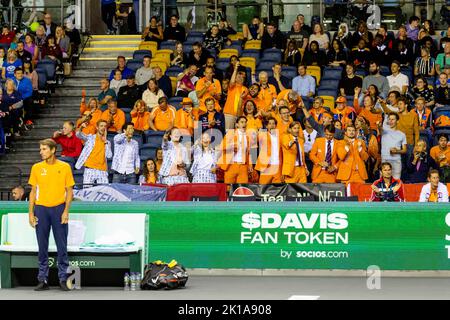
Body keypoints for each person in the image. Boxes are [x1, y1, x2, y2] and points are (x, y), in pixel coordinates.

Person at [28, 139, 74, 291]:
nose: (41, 152)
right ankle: (43, 279)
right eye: (40, 149)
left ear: (53, 150)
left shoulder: (65, 167)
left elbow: (69, 191)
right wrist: (30, 213)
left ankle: (63, 279)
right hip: (41, 209)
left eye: (44, 149)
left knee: (62, 246)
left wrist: (66, 211)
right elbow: (33, 192)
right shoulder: (36, 167)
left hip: (59, 209)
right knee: (42, 246)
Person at [76, 119, 112, 185]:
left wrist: (105, 141)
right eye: (101, 126)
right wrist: (81, 127)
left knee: (104, 191)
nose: (103, 128)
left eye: (105, 126)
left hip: (102, 170)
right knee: (87, 191)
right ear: (97, 127)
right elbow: (78, 135)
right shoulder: (90, 137)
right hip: (90, 169)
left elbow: (109, 155)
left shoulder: (107, 142)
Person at [218, 116, 253, 184]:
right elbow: (222, 146)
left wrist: (250, 165)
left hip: (243, 166)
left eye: (245, 122)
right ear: (237, 124)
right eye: (242, 122)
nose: (244, 124)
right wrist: (230, 146)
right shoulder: (231, 133)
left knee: (242, 189)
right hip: (231, 165)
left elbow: (248, 153)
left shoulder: (248, 137)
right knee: (228, 188)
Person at [380, 112, 408, 179]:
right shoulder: (384, 131)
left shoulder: (402, 134)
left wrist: (397, 151)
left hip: (396, 161)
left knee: (396, 182)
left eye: (393, 119)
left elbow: (405, 150)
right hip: (385, 160)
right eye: (389, 119)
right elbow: (379, 128)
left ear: (397, 121)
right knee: (384, 182)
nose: (391, 121)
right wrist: (379, 125)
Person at [255, 117, 282, 184]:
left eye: (273, 123)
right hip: (267, 166)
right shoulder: (263, 134)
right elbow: (255, 139)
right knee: (263, 188)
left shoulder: (280, 136)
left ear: (276, 125)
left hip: (277, 166)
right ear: (266, 126)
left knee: (278, 190)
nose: (272, 125)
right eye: (269, 124)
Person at [223, 63, 248, 129]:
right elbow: (232, 81)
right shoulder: (232, 86)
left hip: (239, 116)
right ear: (235, 78)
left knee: (239, 135)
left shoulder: (245, 89)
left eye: (243, 77)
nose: (241, 78)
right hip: (229, 114)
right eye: (239, 76)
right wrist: (235, 69)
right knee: (229, 135)